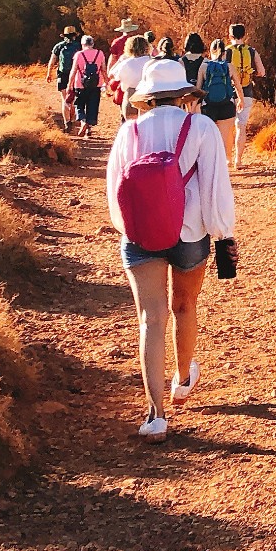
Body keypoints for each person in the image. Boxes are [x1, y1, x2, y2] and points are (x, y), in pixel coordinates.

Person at [106, 59, 235, 442]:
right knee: (185, 305)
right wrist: (223, 233)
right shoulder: (201, 127)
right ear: (184, 94)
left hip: (141, 234)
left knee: (150, 318)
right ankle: (182, 380)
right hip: (190, 233)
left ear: (145, 98)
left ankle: (155, 415)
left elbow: (115, 192)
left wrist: (131, 228)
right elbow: (215, 187)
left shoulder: (128, 132)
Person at [195, 34, 240, 158]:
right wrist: (241, 99)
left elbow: (198, 89)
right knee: (227, 135)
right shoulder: (229, 66)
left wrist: (194, 106)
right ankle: (228, 160)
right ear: (224, 52)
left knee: (209, 137)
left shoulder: (204, 66)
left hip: (208, 106)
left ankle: (211, 160)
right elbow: (238, 85)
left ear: (210, 51)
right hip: (227, 105)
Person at [227, 24, 260, 166]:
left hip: (229, 92)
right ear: (244, 35)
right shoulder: (252, 51)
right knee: (241, 126)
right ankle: (238, 161)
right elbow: (262, 71)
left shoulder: (226, 51)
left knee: (227, 126)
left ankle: (227, 159)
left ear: (230, 36)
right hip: (246, 92)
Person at [67, 35, 108, 137]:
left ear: (82, 44)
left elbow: (74, 70)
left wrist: (69, 84)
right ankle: (88, 130)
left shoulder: (79, 54)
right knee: (92, 106)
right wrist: (107, 82)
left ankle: (83, 121)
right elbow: (103, 69)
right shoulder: (100, 53)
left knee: (79, 105)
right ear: (92, 44)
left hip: (80, 85)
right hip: (96, 85)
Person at [110, 34, 154, 121]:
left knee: (131, 124)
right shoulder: (152, 62)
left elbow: (112, 75)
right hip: (147, 96)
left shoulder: (126, 63)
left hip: (130, 94)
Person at [48, 25, 80, 129]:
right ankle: (72, 119)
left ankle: (67, 123)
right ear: (75, 35)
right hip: (75, 74)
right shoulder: (79, 46)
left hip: (62, 74)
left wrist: (49, 73)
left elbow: (52, 60)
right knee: (74, 99)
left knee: (64, 99)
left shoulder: (59, 46)